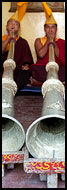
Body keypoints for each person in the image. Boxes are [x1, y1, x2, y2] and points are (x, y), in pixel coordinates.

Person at [30, 2, 65, 86]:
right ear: (44, 29)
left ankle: (40, 82)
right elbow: (41, 55)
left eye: (53, 27)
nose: (50, 30)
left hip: (58, 68)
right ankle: (59, 82)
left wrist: (54, 42)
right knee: (34, 68)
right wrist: (49, 40)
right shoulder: (38, 40)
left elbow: (62, 58)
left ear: (56, 29)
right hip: (43, 68)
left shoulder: (61, 41)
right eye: (48, 27)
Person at [2, 2, 34, 90]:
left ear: (19, 28)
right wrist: (9, 37)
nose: (13, 25)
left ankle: (11, 89)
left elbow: (27, 59)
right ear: (6, 27)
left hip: (18, 70)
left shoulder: (22, 41)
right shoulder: (3, 38)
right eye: (10, 23)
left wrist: (27, 65)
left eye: (16, 24)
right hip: (3, 68)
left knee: (25, 74)